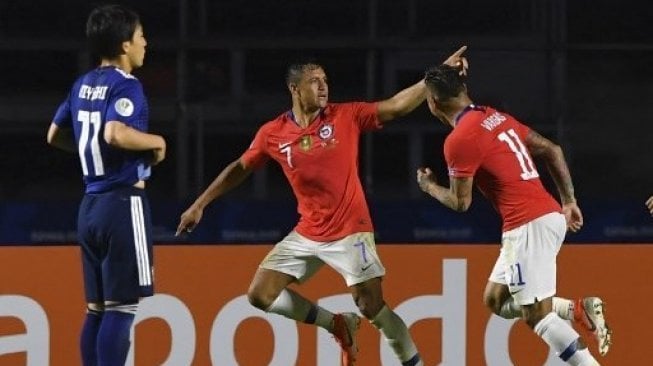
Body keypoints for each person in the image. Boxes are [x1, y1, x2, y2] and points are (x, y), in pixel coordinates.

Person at [176, 47, 468, 365]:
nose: (323, 86)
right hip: (308, 232)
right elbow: (239, 168)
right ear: (295, 89)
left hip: (351, 231)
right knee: (260, 295)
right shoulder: (273, 133)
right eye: (314, 81)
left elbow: (396, 106)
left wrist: (436, 74)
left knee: (372, 307)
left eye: (325, 80)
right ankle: (336, 324)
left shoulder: (346, 116)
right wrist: (199, 204)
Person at [416, 64, 612, 365]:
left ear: (432, 102)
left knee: (538, 317)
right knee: (495, 300)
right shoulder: (494, 116)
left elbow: (460, 202)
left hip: (528, 226)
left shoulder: (459, 140)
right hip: (545, 216)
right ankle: (576, 310)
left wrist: (429, 187)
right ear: (464, 90)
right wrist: (569, 200)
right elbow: (552, 149)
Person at [47, 5, 166, 365]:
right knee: (122, 308)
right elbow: (115, 132)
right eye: (141, 35)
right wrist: (158, 143)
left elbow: (54, 135)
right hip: (121, 204)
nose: (145, 42)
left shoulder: (81, 84)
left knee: (96, 309)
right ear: (125, 43)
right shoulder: (127, 85)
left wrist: (89, 148)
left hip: (90, 206)